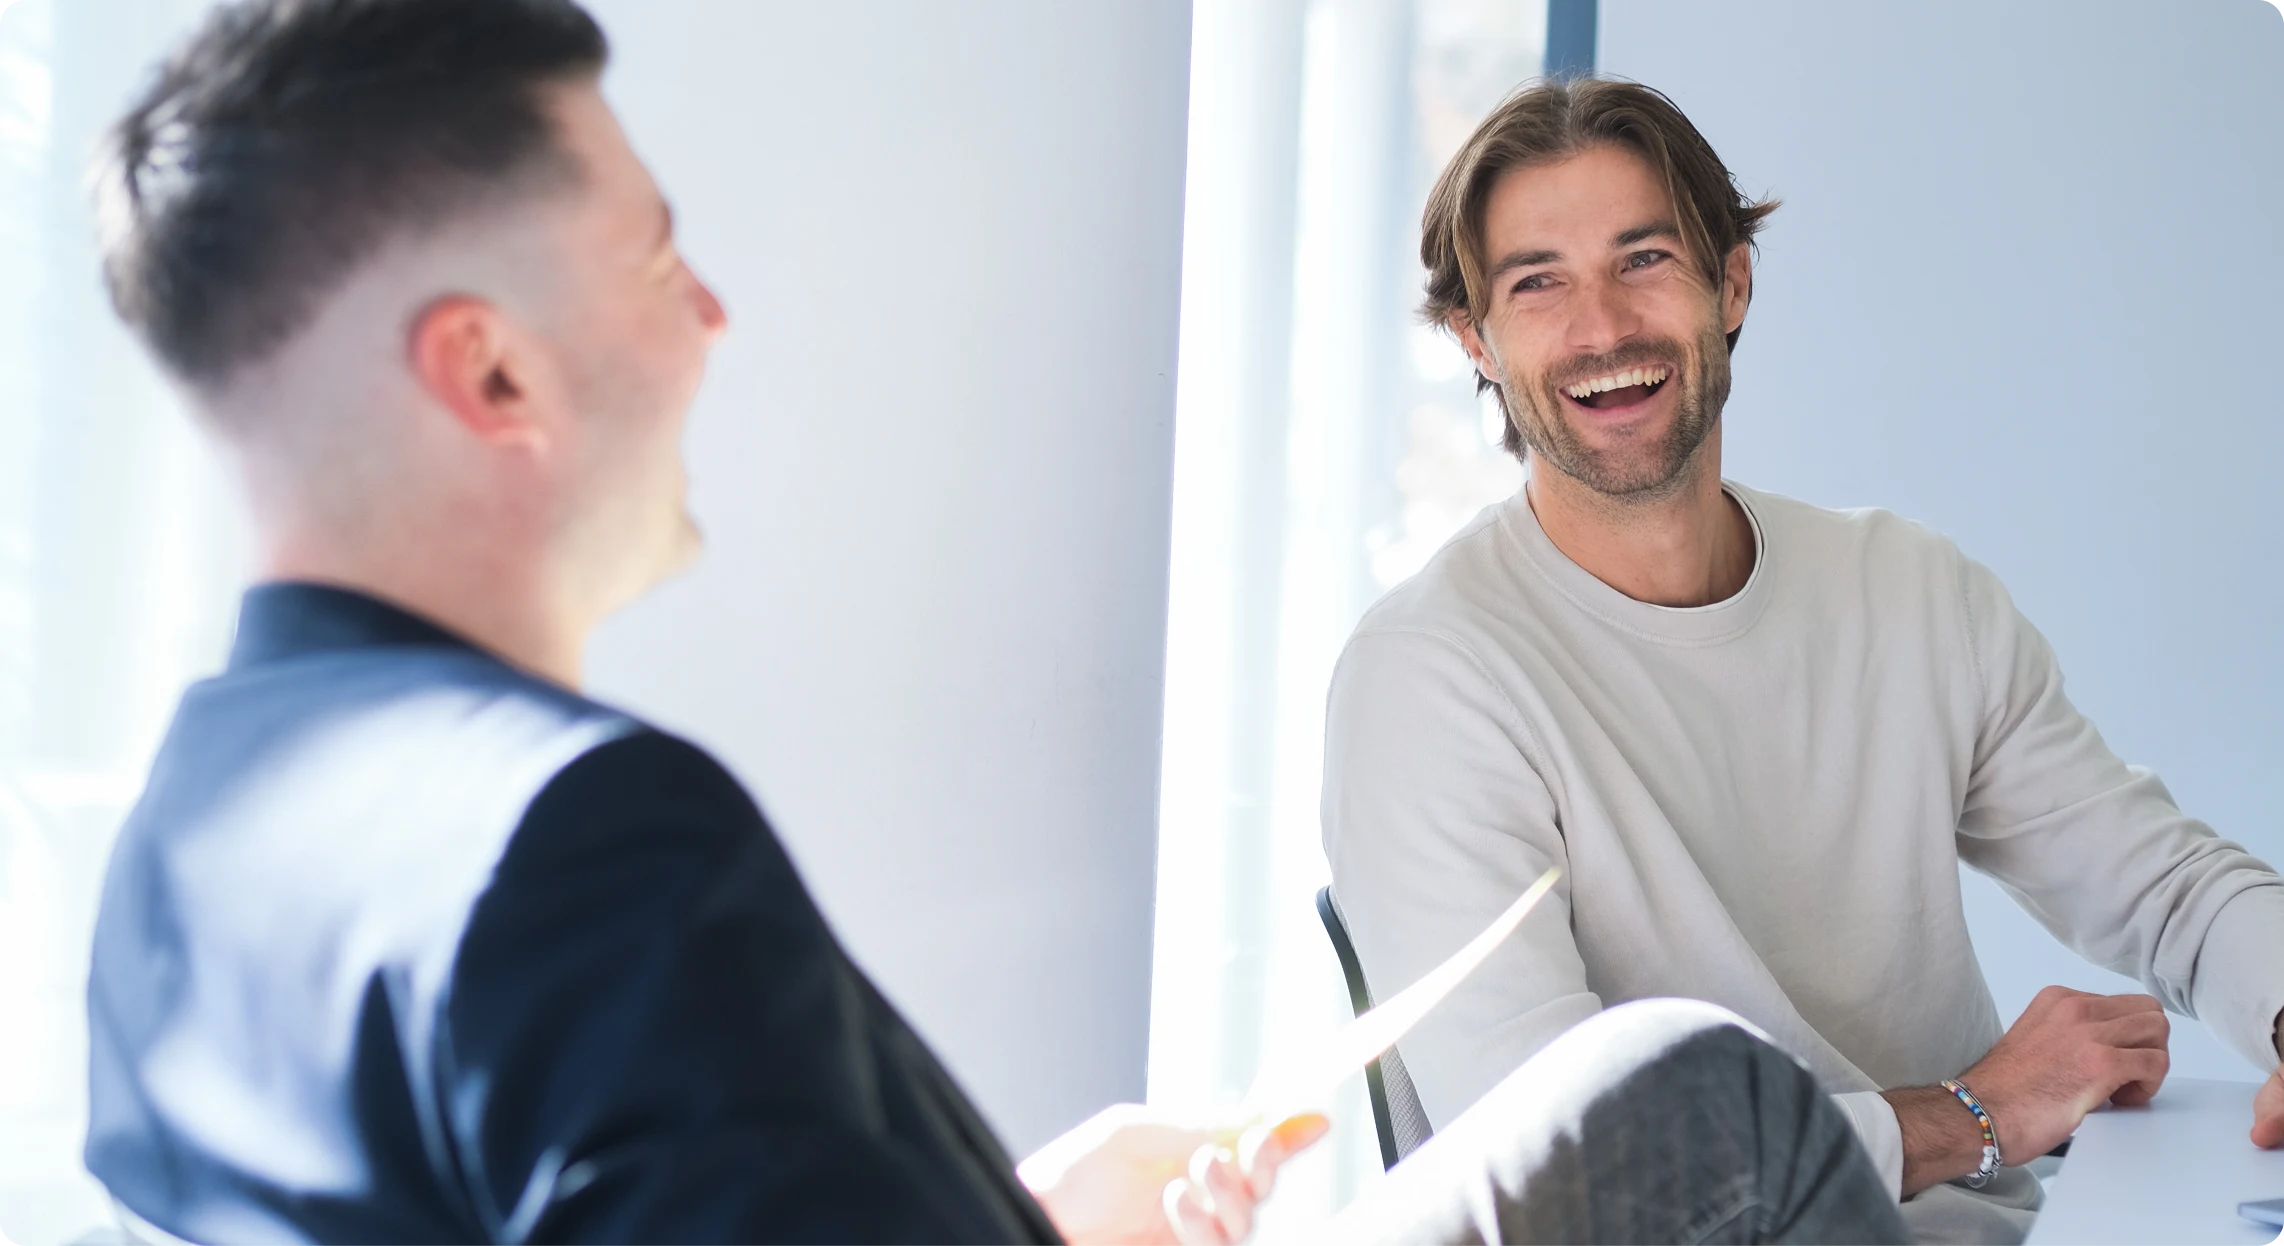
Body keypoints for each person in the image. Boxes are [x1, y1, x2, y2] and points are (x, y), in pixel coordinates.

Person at [80, 4, 1912, 1244]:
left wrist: (1018, 1214)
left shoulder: (179, 847)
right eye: (654, 258)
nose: (706, 316)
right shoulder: (582, 845)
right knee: (1701, 1099)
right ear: (485, 368)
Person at [1320, 75, 2284, 1246]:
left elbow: (2169, 887)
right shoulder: (1426, 681)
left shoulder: (1909, 595)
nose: (1603, 327)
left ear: (1730, 285)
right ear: (1474, 337)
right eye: (1537, 283)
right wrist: (1978, 1111)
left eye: (1644, 260)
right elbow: (1579, 1168)